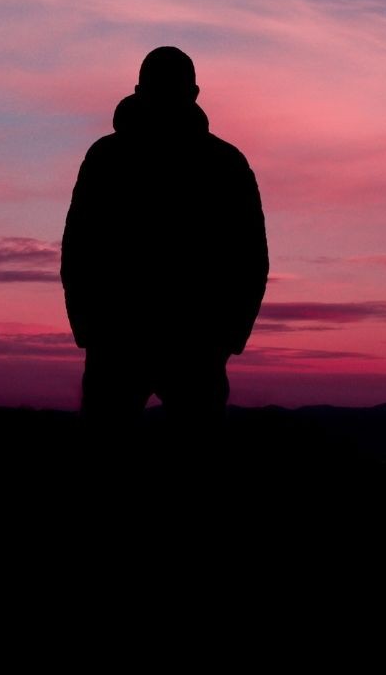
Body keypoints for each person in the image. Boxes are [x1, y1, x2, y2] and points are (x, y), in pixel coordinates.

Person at [60, 46, 268, 432]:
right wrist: (88, 328)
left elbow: (250, 257)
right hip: (128, 340)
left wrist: (229, 336)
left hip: (186, 343)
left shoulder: (224, 164)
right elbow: (79, 247)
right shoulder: (108, 158)